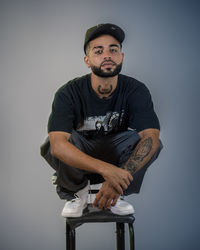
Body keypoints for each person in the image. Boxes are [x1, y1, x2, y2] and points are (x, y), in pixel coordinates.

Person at [40, 23, 163, 218]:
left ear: (121, 57)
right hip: (81, 156)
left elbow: (152, 137)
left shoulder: (136, 90)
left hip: (117, 153)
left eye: (113, 50)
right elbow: (57, 146)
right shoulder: (68, 92)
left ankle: (117, 193)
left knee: (149, 143)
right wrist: (107, 170)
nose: (107, 55)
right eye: (99, 51)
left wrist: (117, 182)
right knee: (56, 142)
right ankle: (77, 192)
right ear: (87, 60)